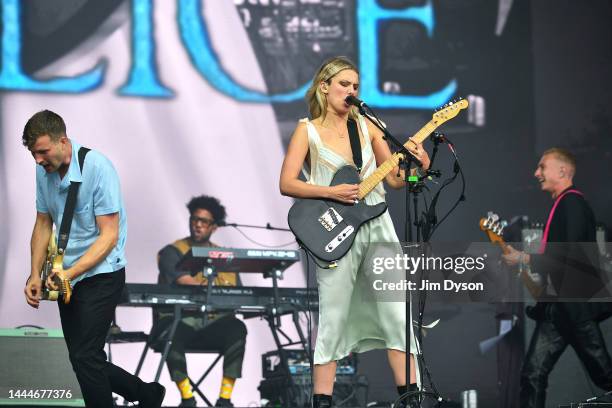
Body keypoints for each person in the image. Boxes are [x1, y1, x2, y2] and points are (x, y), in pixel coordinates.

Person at [279, 56, 431, 408]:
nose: (351, 91)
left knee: (397, 315)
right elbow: (287, 183)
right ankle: (322, 402)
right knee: (332, 318)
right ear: (325, 87)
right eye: (344, 84)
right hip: (335, 232)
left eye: (356, 86)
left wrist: (419, 166)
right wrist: (329, 192)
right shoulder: (307, 130)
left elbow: (393, 179)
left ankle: (411, 401)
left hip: (378, 227)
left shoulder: (368, 125)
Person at [22, 110, 165, 408]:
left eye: (43, 152)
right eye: (33, 153)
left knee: (85, 356)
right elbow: (42, 223)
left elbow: (108, 236)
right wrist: (34, 273)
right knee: (82, 359)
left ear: (63, 141)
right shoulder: (43, 170)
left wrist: (70, 273)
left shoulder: (98, 168)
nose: (37, 160)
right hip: (66, 274)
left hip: (101, 273)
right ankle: (147, 394)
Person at [502, 148, 612, 408]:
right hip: (558, 309)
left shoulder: (572, 203)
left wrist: (523, 258)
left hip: (575, 309)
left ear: (562, 171)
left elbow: (570, 255)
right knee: (532, 374)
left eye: (542, 167)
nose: (536, 173)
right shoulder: (564, 204)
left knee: (605, 375)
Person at [153, 195, 247, 407]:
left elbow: (238, 292)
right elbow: (182, 279)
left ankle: (225, 400)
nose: (197, 224)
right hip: (183, 322)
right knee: (170, 330)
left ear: (214, 227)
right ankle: (187, 399)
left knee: (237, 328)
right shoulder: (172, 251)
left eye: (203, 221)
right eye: (194, 219)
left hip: (214, 325)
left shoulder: (225, 255)